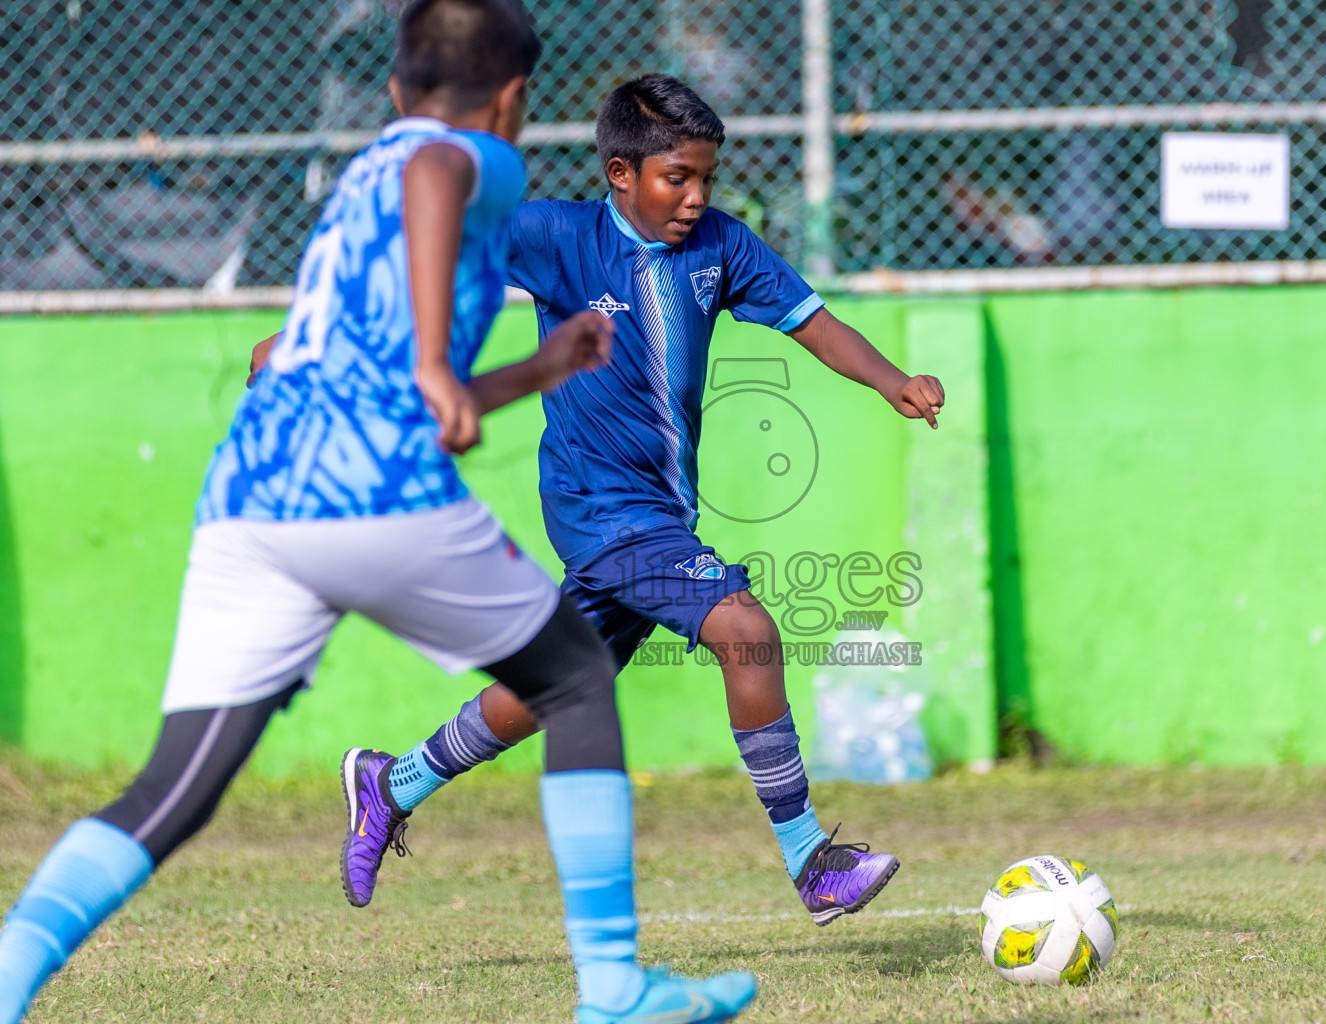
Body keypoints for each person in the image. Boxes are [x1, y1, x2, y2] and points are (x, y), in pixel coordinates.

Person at [0, 7, 756, 1024]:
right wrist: (443, 355)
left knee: (172, 791)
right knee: (576, 677)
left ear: (396, 88)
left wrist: (535, 367)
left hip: (252, 501)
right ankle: (614, 987)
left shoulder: (358, 184)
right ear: (513, 98)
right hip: (371, 493)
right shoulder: (469, 158)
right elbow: (435, 185)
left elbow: (406, 390)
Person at [323, 74, 947, 926]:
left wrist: (891, 381)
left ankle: (391, 783)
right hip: (597, 507)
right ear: (621, 173)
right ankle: (811, 861)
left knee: (552, 684)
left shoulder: (721, 246)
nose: (695, 198)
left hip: (656, 515)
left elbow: (812, 320)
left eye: (705, 180)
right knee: (747, 629)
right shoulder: (555, 237)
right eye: (675, 179)